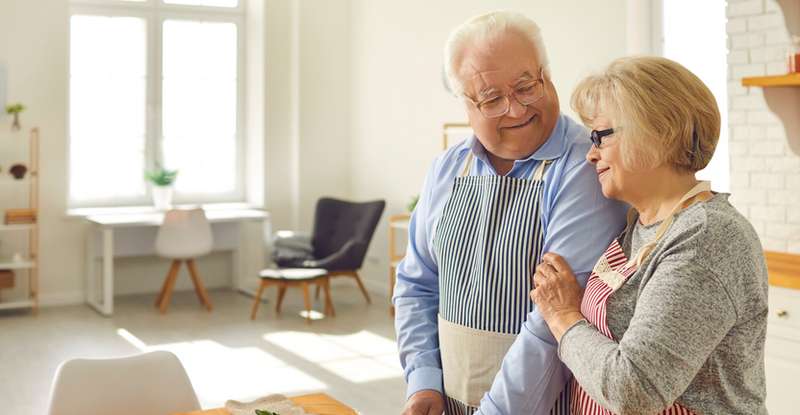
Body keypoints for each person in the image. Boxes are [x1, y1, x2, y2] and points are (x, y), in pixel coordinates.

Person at [393, 11, 627, 415]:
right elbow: (417, 283)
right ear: (465, 103)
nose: (516, 110)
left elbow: (551, 324)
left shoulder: (584, 168)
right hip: (447, 401)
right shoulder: (447, 169)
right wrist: (423, 380)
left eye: (525, 87)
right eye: (491, 98)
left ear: (547, 76)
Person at [531, 56, 768, 414]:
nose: (590, 155)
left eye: (600, 137)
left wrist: (563, 316)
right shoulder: (639, 227)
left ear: (656, 131)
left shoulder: (707, 237)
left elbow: (634, 389)